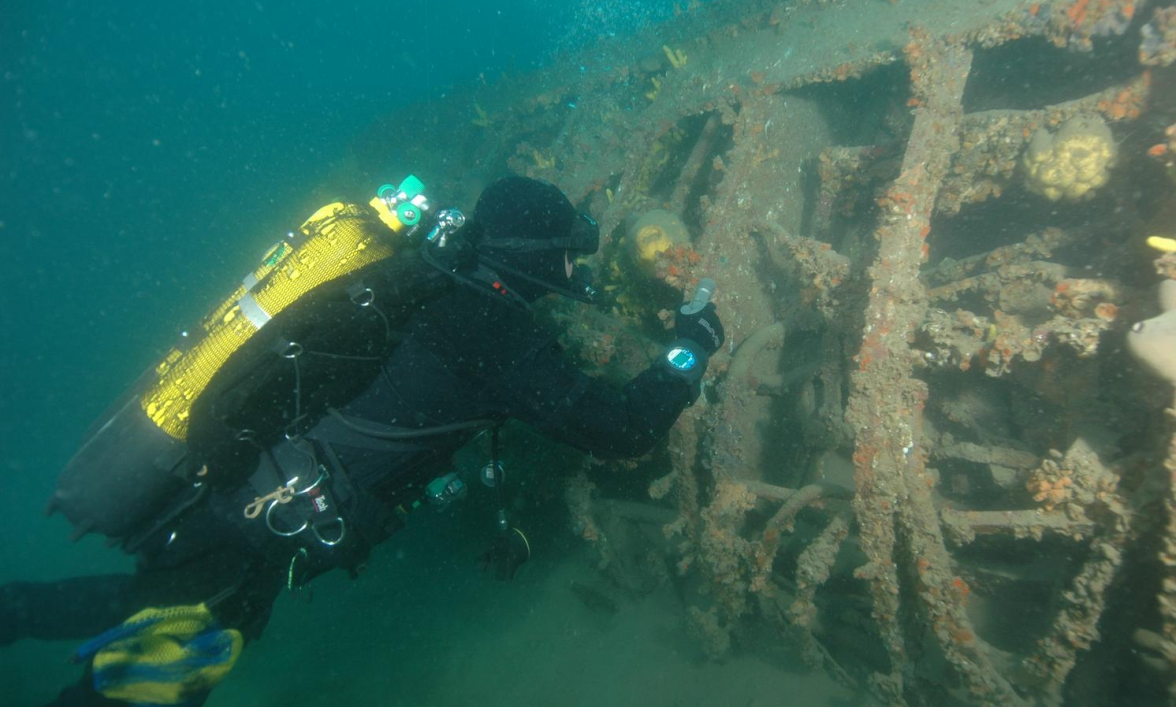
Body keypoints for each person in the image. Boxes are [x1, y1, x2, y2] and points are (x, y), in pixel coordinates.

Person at [0, 176, 725, 706]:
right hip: (251, 533)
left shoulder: (427, 285)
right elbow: (621, 429)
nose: (574, 271)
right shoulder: (494, 333)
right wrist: (692, 349)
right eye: (566, 255)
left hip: (221, 496)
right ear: (535, 254)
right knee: (169, 668)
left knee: (148, 598)